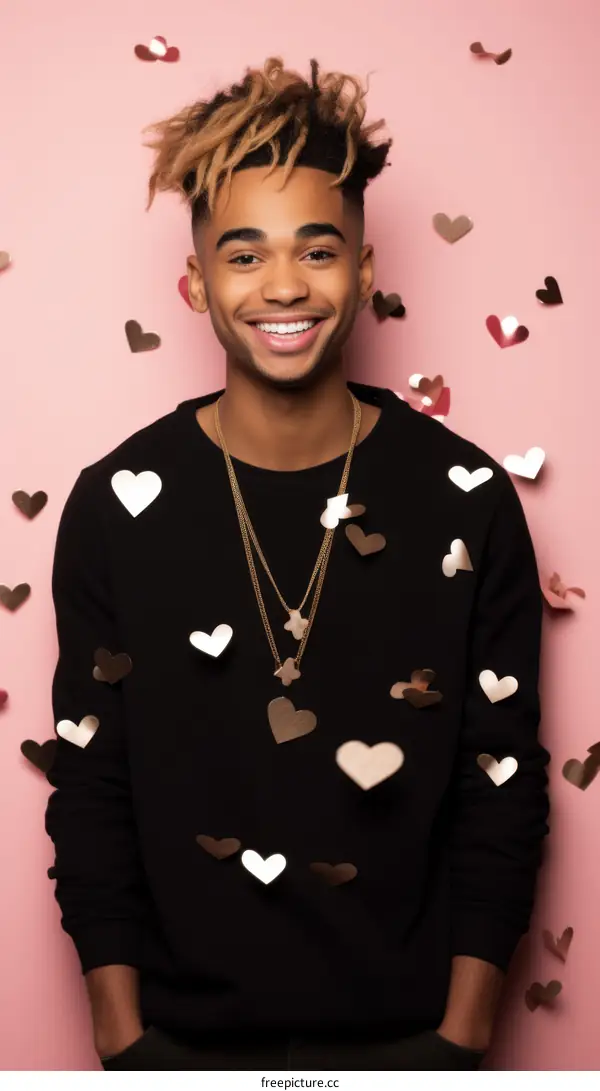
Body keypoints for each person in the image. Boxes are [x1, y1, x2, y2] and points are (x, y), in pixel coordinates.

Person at [44, 56, 551, 1073]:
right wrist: (121, 1036)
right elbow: (93, 778)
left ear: (366, 271)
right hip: (174, 1047)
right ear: (196, 283)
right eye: (245, 254)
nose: (283, 285)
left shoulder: (470, 500)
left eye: (318, 250)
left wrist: (460, 1039)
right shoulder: (116, 505)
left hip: (414, 1042)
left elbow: (500, 777)